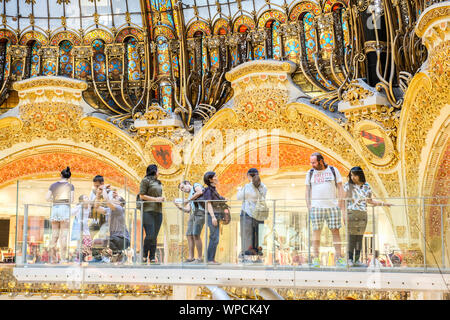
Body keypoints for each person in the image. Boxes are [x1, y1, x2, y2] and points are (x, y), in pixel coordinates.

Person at [344, 166, 392, 267]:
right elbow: (343, 201)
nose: (353, 177)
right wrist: (343, 215)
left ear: (359, 175)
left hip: (362, 214)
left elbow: (370, 201)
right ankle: (349, 259)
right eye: (351, 175)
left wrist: (383, 204)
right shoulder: (347, 186)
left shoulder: (366, 186)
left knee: (359, 238)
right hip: (351, 213)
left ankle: (357, 260)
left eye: (355, 175)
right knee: (351, 237)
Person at [305, 152, 346, 267]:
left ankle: (339, 258)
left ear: (321, 161)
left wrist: (340, 203)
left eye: (314, 162)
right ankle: (315, 259)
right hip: (316, 207)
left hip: (332, 207)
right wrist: (309, 206)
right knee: (316, 233)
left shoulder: (333, 170)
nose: (312, 164)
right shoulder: (310, 173)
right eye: (311, 162)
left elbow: (340, 187)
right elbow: (307, 190)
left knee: (336, 232)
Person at [236, 168, 267, 263]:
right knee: (258, 235)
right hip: (259, 214)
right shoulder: (263, 187)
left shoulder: (247, 187)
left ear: (249, 176)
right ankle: (259, 257)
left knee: (247, 235)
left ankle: (247, 257)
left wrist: (239, 190)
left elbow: (238, 197)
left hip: (247, 213)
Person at [46, 167, 74, 264]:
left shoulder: (53, 185)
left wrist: (55, 200)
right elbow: (72, 200)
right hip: (64, 209)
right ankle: (63, 259)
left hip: (55, 209)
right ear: (68, 177)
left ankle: (53, 259)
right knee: (64, 236)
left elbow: (47, 198)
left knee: (54, 236)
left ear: (60, 175)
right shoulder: (70, 186)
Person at [95, 188, 130, 263]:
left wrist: (104, 189)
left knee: (106, 239)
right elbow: (97, 207)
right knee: (99, 241)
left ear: (120, 203)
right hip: (114, 239)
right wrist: (98, 194)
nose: (114, 197)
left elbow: (107, 202)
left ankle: (117, 253)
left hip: (123, 239)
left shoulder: (119, 208)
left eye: (116, 198)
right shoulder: (110, 210)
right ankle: (117, 254)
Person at [139, 164, 165, 264]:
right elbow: (142, 196)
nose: (159, 172)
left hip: (158, 211)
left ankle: (152, 256)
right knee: (150, 234)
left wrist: (161, 199)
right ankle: (145, 255)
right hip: (147, 211)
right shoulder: (145, 181)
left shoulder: (158, 182)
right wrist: (155, 199)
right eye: (158, 170)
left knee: (154, 235)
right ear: (154, 171)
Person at [175, 181, 204, 263]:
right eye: (181, 189)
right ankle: (191, 257)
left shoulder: (196, 185)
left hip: (200, 212)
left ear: (187, 183)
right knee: (188, 234)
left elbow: (200, 192)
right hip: (193, 213)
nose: (183, 190)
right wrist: (179, 207)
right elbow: (188, 210)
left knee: (196, 234)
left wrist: (187, 200)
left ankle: (200, 258)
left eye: (183, 187)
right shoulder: (190, 196)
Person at [201, 171, 227, 265]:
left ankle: (211, 259)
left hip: (216, 215)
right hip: (212, 215)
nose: (217, 177)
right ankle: (209, 259)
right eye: (215, 176)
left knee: (214, 238)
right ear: (210, 179)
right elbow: (208, 203)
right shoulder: (208, 190)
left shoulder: (213, 190)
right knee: (214, 237)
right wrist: (213, 217)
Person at [71, 195, 93, 262]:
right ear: (82, 200)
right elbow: (71, 213)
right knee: (82, 244)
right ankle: (79, 258)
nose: (87, 198)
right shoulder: (79, 207)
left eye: (87, 197)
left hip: (86, 228)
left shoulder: (89, 207)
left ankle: (84, 258)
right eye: (85, 197)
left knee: (88, 244)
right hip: (80, 229)